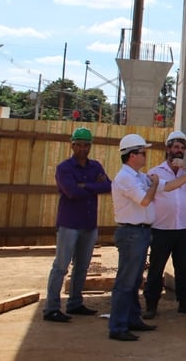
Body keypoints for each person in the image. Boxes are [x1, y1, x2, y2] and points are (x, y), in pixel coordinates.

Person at [43, 127, 111, 323]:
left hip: (89, 223)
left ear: (90, 146)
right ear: (72, 145)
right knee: (61, 266)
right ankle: (52, 308)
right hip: (69, 223)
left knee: (82, 266)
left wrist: (85, 185)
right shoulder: (64, 168)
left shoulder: (95, 166)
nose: (83, 148)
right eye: (79, 144)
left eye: (86, 145)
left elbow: (108, 186)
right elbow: (71, 191)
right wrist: (93, 186)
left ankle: (75, 302)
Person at [142, 130, 186, 319]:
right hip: (161, 229)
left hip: (184, 229)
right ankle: (151, 305)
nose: (179, 151)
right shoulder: (155, 172)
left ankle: (185, 303)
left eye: (182, 148)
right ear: (168, 148)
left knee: (182, 268)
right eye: (176, 147)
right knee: (156, 268)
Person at [109, 133, 160, 342]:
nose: (145, 156)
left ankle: (131, 319)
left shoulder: (137, 176)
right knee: (126, 282)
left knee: (134, 279)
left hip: (139, 232)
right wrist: (155, 185)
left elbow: (161, 186)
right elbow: (145, 200)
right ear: (131, 155)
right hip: (131, 233)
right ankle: (118, 326)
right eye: (142, 153)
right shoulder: (126, 178)